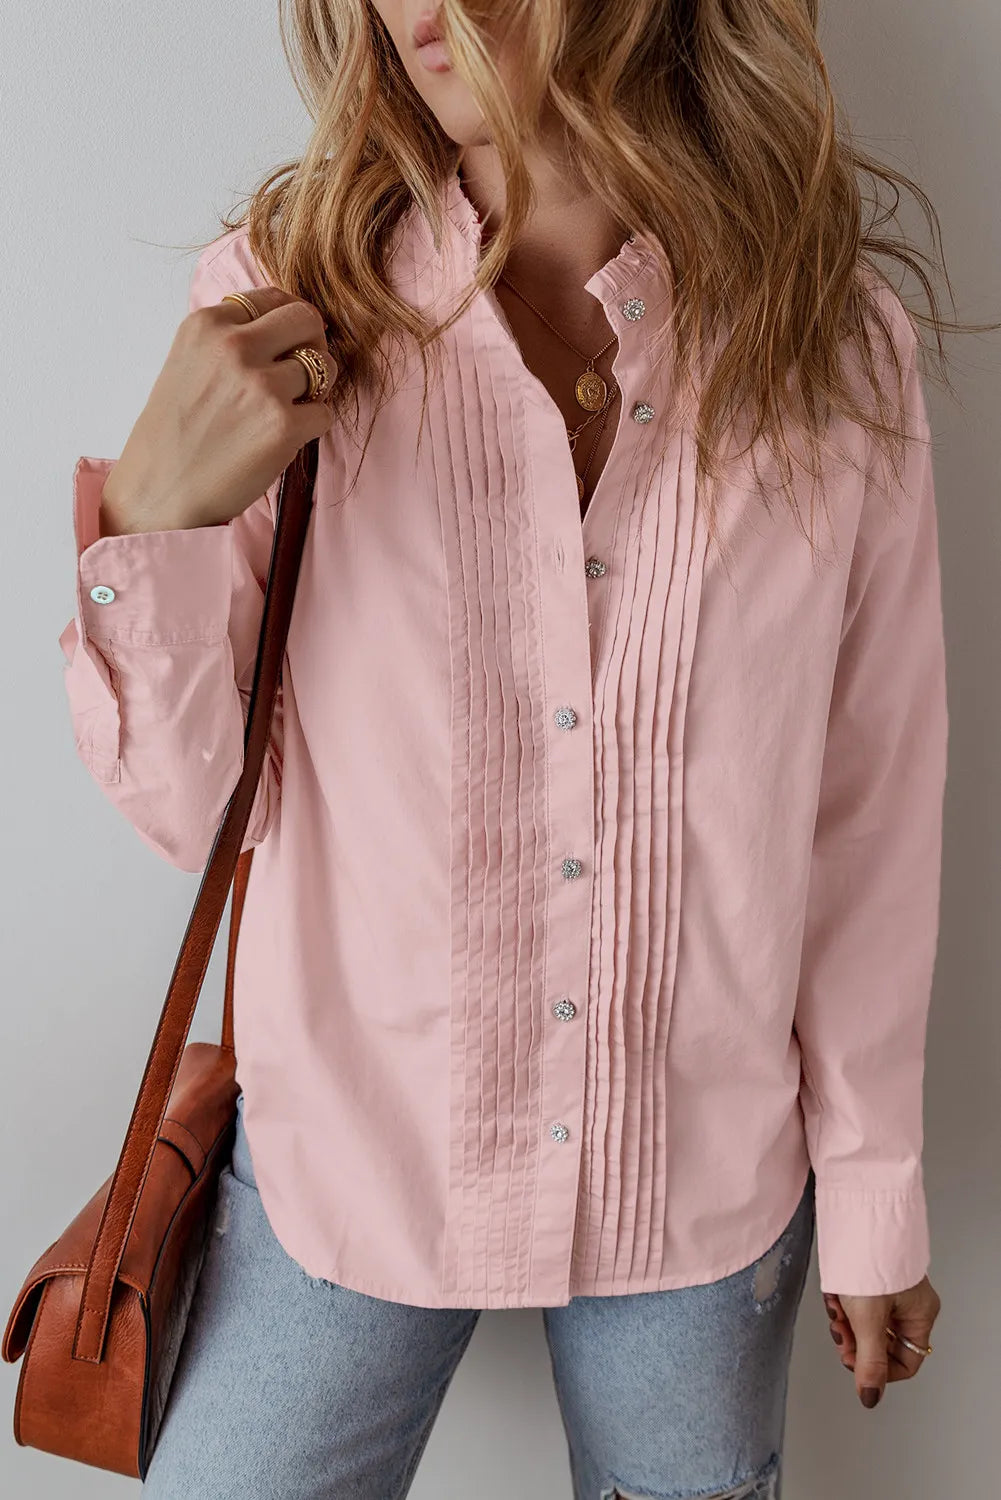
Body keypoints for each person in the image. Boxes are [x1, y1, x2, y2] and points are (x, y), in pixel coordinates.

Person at [58, 1, 959, 1495]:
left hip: (697, 1175)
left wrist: (875, 1199)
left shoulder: (835, 351)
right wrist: (154, 519)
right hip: (348, 1160)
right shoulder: (291, 307)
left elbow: (864, 819)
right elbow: (193, 811)